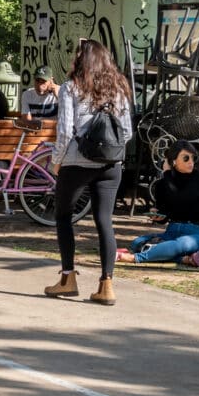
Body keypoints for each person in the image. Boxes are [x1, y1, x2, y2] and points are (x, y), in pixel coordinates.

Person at [45, 39, 133, 306]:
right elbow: (127, 131)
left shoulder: (71, 88)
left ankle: (68, 278)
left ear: (81, 61)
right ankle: (106, 285)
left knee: (63, 216)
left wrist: (56, 162)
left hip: (76, 162)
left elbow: (64, 131)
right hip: (111, 164)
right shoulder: (119, 89)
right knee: (104, 220)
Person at [119, 142, 199, 267]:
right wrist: (158, 215)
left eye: (193, 158)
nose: (191, 162)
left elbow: (183, 198)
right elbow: (166, 214)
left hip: (197, 234)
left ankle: (136, 258)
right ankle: (182, 259)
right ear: (173, 160)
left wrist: (167, 173)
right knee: (137, 242)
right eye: (186, 158)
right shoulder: (162, 184)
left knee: (182, 244)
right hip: (172, 231)